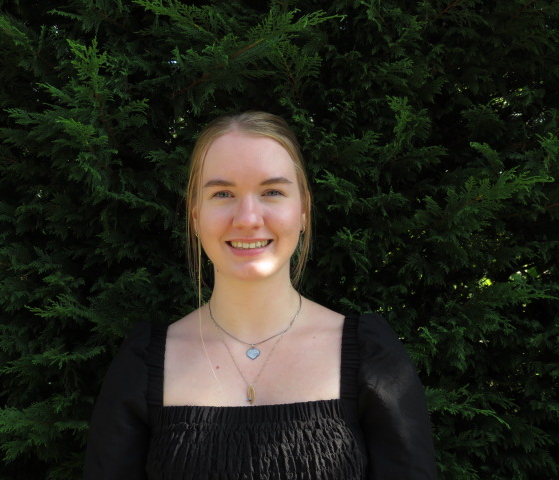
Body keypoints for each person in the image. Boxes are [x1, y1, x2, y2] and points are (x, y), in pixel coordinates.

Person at [83, 111, 437, 479]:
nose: (248, 218)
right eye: (223, 193)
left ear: (303, 210)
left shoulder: (371, 357)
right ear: (195, 216)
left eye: (272, 192)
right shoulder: (143, 365)